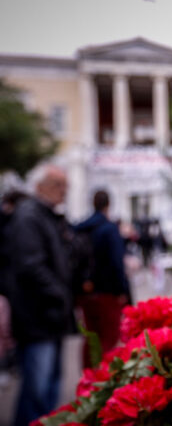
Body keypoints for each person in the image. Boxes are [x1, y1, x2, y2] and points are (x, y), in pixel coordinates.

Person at [3, 165, 75, 426]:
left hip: (48, 317)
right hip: (37, 317)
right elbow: (30, 267)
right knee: (37, 390)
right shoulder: (29, 216)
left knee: (47, 388)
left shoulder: (44, 215)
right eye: (59, 185)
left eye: (65, 186)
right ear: (40, 186)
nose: (64, 191)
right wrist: (58, 294)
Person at [74, 190, 132, 368]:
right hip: (107, 292)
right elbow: (117, 263)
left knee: (91, 336)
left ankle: (88, 378)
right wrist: (124, 291)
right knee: (109, 338)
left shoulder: (79, 228)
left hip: (85, 291)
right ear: (108, 204)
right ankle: (105, 378)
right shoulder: (109, 228)